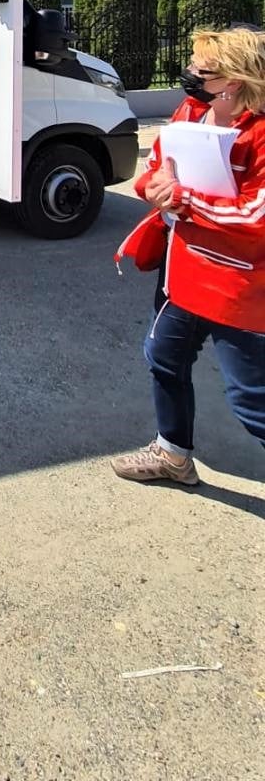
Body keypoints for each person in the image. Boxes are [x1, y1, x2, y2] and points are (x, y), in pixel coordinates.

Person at [112, 27, 265, 485]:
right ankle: (172, 454)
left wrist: (187, 200)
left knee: (252, 399)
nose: (191, 73)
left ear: (233, 80)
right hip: (183, 273)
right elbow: (155, 168)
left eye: (203, 69)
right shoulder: (191, 112)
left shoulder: (260, 133)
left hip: (240, 287)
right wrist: (155, 189)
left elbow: (257, 215)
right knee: (164, 356)